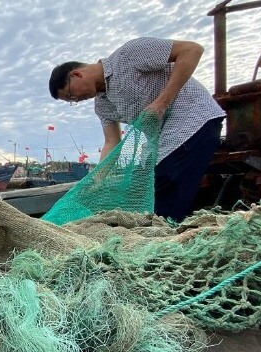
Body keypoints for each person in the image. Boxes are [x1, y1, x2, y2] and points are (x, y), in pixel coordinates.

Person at [48, 37, 226, 222]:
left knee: (166, 183)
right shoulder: (102, 105)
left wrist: (162, 102)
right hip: (161, 142)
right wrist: (98, 177)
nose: (75, 100)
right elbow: (111, 142)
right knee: (139, 186)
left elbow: (192, 49)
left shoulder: (129, 54)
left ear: (76, 75)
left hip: (194, 121)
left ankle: (168, 233)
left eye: (70, 95)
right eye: (70, 102)